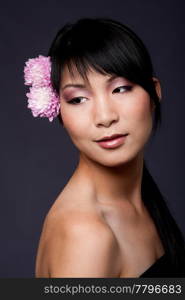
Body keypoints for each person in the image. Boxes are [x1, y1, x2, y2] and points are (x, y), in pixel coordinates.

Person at [29, 17, 185, 277]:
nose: (104, 116)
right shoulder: (86, 235)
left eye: (121, 89)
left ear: (154, 92)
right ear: (59, 113)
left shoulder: (140, 200)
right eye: (78, 99)